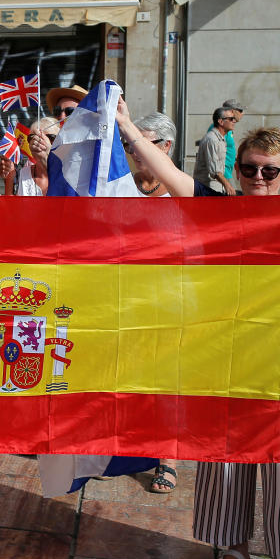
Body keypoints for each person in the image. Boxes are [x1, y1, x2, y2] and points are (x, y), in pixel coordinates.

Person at [116, 100, 280, 559]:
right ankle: (233, 546)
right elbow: (171, 173)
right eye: (249, 167)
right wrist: (125, 126)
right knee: (224, 454)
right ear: (237, 169)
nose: (258, 176)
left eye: (269, 170)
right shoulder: (215, 208)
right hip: (224, 353)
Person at [118, 110, 180, 493]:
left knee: (166, 379)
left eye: (143, 144)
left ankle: (167, 456)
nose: (134, 152)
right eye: (129, 145)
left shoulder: (183, 190)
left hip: (169, 300)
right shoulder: (120, 187)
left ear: (165, 146)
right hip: (126, 297)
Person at [0, 116, 58, 196]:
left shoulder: (71, 176)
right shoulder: (16, 177)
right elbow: (8, 207)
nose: (38, 141)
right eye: (32, 137)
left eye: (50, 138)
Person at [192, 108, 238, 195]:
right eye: (231, 119)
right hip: (207, 189)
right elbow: (215, 171)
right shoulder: (212, 139)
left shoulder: (221, 139)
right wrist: (227, 185)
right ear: (221, 122)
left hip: (216, 188)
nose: (234, 121)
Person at [221, 99, 244, 184]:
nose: (243, 113)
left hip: (227, 173)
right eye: (240, 111)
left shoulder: (228, 128)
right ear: (232, 112)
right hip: (222, 174)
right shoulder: (221, 127)